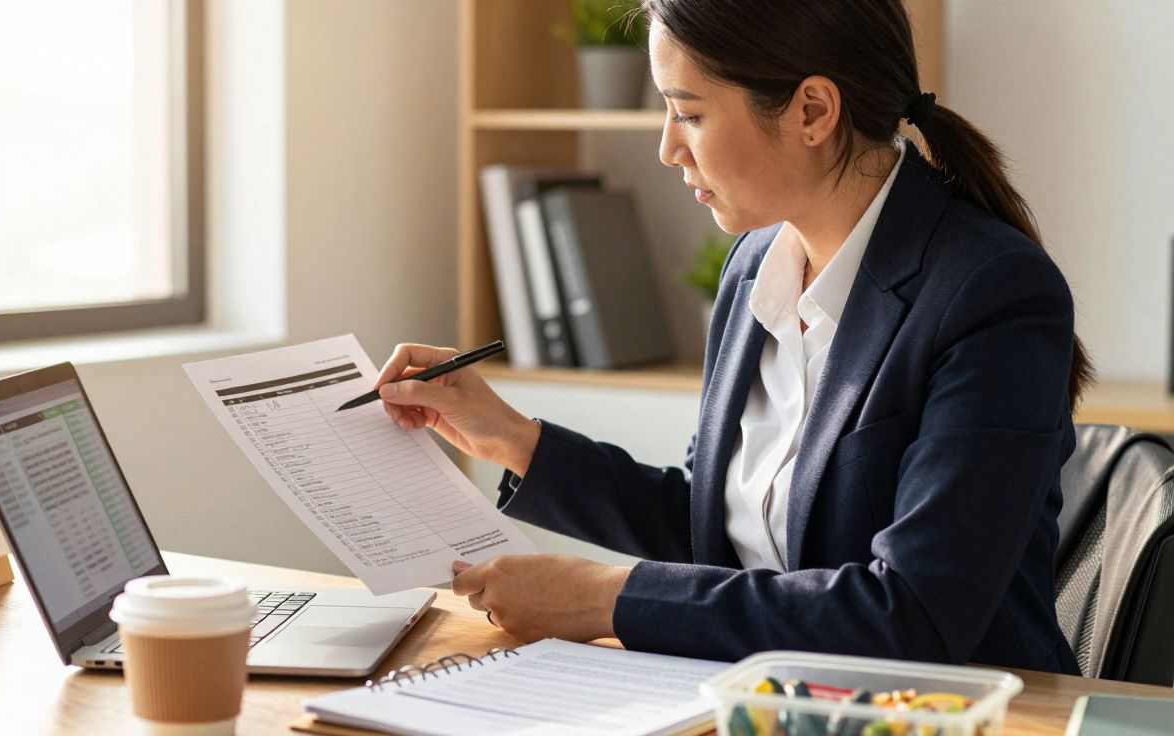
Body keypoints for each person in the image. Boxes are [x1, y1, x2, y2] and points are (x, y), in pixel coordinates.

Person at [374, 0, 1091, 674]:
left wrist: (606, 599)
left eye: (688, 113)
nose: (668, 148)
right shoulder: (754, 265)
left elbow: (913, 615)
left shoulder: (991, 293)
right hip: (772, 696)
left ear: (812, 110)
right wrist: (512, 439)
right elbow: (716, 528)